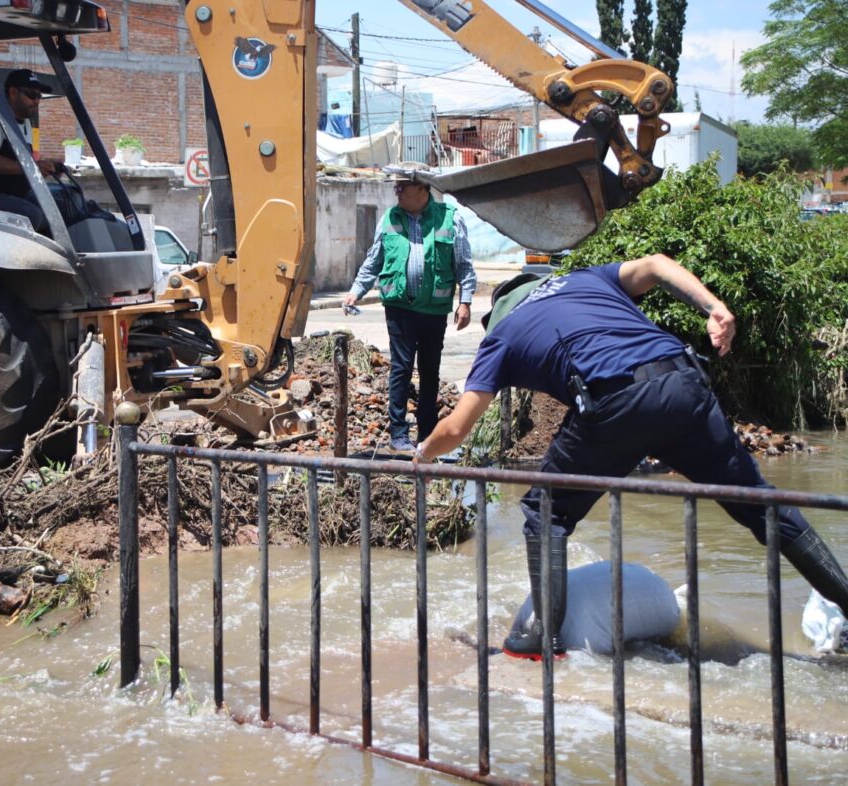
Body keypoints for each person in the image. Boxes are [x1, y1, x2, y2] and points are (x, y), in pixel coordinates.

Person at [414, 254, 848, 659]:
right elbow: (658, 264)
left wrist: (424, 455)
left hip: (616, 403)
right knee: (760, 506)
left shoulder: (503, 336)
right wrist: (714, 307)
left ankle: (542, 642)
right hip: (685, 383)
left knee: (545, 512)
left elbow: (456, 428)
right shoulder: (585, 279)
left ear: (500, 311)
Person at [343, 177, 475, 452]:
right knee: (401, 369)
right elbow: (374, 258)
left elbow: (463, 263)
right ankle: (398, 433)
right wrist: (357, 290)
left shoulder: (449, 218)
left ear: (423, 189)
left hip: (433, 309)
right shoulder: (391, 217)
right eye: (397, 186)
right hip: (399, 308)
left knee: (430, 370)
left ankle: (427, 434)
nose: (397, 191)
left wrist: (466, 301)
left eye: (403, 187)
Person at [0, 69, 56, 232]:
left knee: (60, 205)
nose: (37, 101)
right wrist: (32, 168)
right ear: (13, 92)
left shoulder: (25, 124)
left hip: (18, 194)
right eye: (32, 95)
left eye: (39, 97)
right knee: (33, 215)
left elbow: (26, 165)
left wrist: (48, 168)